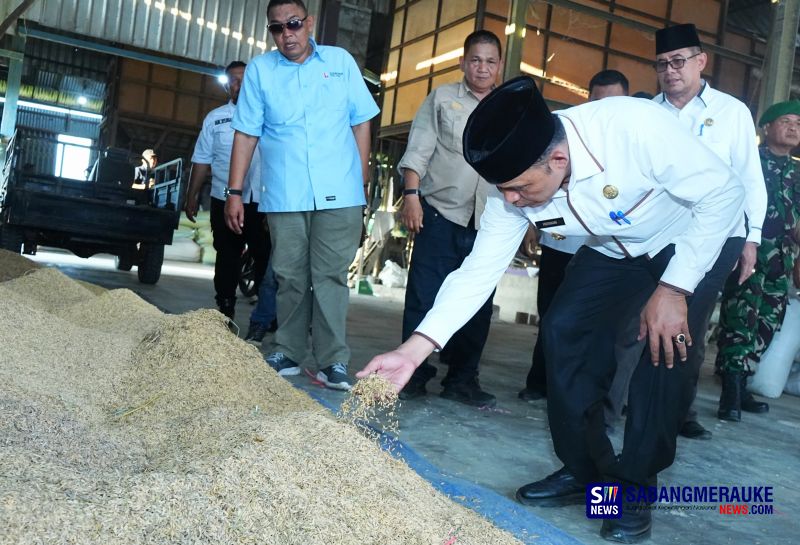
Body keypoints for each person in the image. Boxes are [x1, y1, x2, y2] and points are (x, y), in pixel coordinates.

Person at [359, 76, 745, 543]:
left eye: (520, 189)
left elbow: (723, 194)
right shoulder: (512, 188)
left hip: (696, 236)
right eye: (504, 190)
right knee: (563, 331)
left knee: (665, 353)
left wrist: (674, 289)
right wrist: (414, 349)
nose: (511, 201)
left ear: (558, 159)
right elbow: (478, 271)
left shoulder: (635, 127)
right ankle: (590, 474)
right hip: (616, 247)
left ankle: (635, 489)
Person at [225, 0, 379, 391]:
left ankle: (333, 361)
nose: (286, 34)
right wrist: (235, 192)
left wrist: (361, 183)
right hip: (285, 192)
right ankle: (289, 350)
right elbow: (246, 133)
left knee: (329, 276)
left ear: (308, 23)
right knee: (290, 275)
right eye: (276, 28)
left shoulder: (341, 62)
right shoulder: (260, 70)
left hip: (340, 190)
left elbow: (362, 123)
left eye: (293, 24)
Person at [652, 23, 767, 440]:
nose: (671, 71)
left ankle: (676, 415)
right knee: (644, 323)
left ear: (701, 61)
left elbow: (750, 179)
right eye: (662, 63)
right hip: (660, 236)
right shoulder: (650, 113)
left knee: (689, 329)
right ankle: (643, 404)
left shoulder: (731, 112)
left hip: (717, 238)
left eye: (679, 61)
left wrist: (751, 239)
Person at [395, 30, 502, 407]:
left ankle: (462, 379)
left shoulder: (509, 108)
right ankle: (415, 373)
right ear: (463, 62)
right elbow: (418, 149)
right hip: (439, 215)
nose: (482, 67)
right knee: (424, 297)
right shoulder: (441, 98)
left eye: (490, 61)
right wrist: (411, 196)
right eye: (476, 60)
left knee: (478, 305)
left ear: (500, 66)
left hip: (489, 224)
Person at [519, 68, 627, 403]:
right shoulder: (563, 137)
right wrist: (535, 225)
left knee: (599, 324)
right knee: (551, 312)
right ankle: (540, 382)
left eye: (613, 102)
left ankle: (583, 390)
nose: (604, 109)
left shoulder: (631, 147)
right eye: (598, 101)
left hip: (606, 250)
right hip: (562, 243)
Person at [715, 100, 800, 421]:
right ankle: (730, 392)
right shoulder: (750, 163)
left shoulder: (797, 172)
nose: (793, 128)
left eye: (798, 123)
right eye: (786, 121)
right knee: (741, 317)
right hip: (747, 253)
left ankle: (743, 381)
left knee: (769, 320)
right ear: (766, 127)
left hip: (781, 260)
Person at [185, 61, 270, 321]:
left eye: (244, 78)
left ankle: (267, 316)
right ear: (227, 85)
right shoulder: (216, 119)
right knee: (227, 257)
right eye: (233, 80)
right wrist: (191, 196)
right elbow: (201, 160)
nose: (239, 84)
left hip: (262, 202)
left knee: (265, 258)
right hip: (224, 200)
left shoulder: (270, 118)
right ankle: (225, 307)